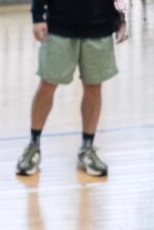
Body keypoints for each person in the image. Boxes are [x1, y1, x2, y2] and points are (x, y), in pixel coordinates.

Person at [16, 0, 127, 177]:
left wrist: (122, 18)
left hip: (99, 26)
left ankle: (87, 147)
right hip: (60, 25)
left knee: (94, 87)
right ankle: (33, 145)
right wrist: (37, 16)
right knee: (47, 85)